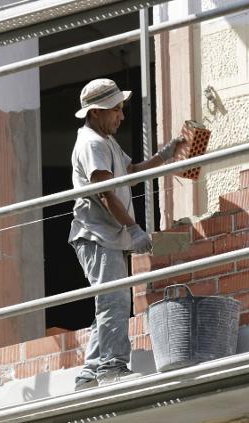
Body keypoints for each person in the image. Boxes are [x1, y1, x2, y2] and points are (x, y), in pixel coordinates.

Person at [68, 78, 183, 390]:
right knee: (115, 301)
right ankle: (112, 367)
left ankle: (90, 372)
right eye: (115, 110)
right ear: (95, 112)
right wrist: (133, 228)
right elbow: (105, 192)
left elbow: (130, 173)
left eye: (121, 109)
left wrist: (166, 155)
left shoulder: (105, 141)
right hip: (97, 234)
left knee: (111, 302)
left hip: (108, 235)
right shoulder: (92, 143)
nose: (121, 116)